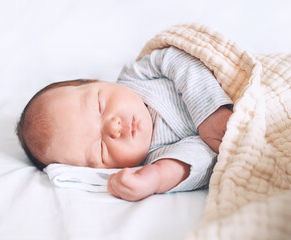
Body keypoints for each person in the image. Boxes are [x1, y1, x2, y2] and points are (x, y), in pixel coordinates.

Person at [16, 46, 233, 201]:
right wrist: (155, 179)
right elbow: (203, 158)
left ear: (97, 81)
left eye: (100, 106)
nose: (113, 128)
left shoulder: (137, 76)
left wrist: (209, 112)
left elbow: (178, 58)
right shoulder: (155, 157)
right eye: (100, 149)